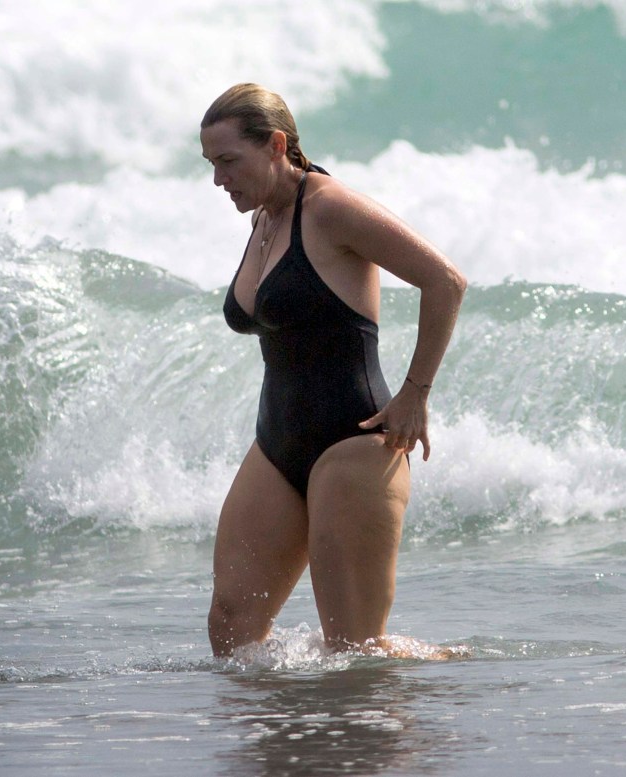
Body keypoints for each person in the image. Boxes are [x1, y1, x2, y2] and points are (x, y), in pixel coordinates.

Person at [200, 83, 467, 658]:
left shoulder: (330, 208)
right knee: (230, 626)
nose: (219, 179)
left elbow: (444, 281)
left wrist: (416, 393)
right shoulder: (266, 218)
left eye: (228, 161)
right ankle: (281, 744)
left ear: (276, 145)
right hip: (278, 443)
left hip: (355, 440)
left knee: (354, 653)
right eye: (211, 165)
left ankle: (458, 681)